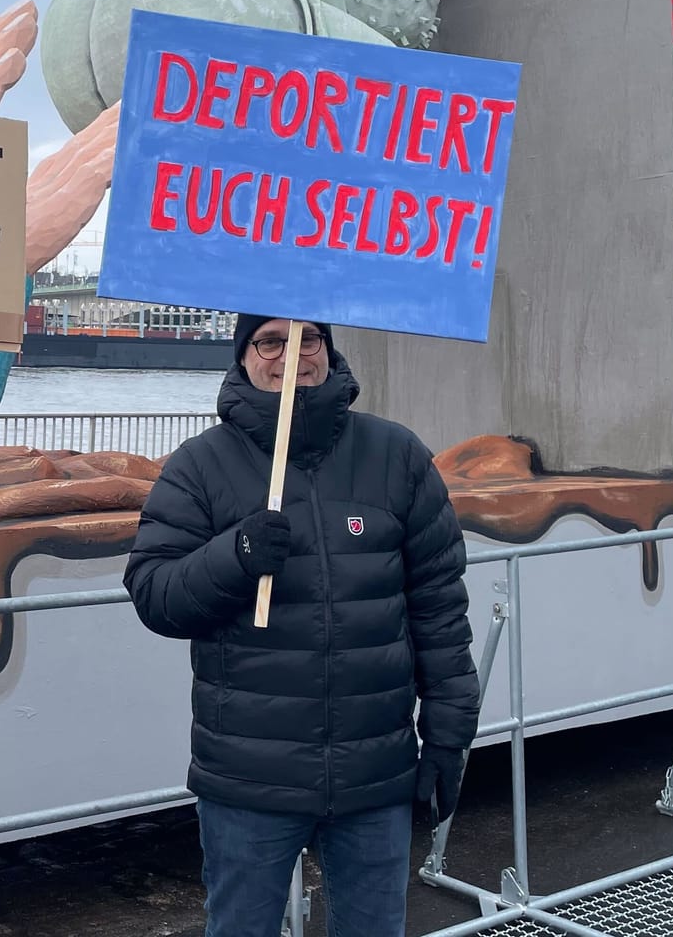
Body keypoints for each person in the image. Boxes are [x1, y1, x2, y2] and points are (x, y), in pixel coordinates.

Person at [123, 314, 481, 936]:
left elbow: (440, 610)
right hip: (248, 782)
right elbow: (155, 595)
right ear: (243, 358)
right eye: (270, 342)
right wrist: (231, 557)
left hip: (375, 774)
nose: (292, 356)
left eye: (308, 339)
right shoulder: (200, 467)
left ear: (328, 348)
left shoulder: (397, 456)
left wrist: (449, 736)